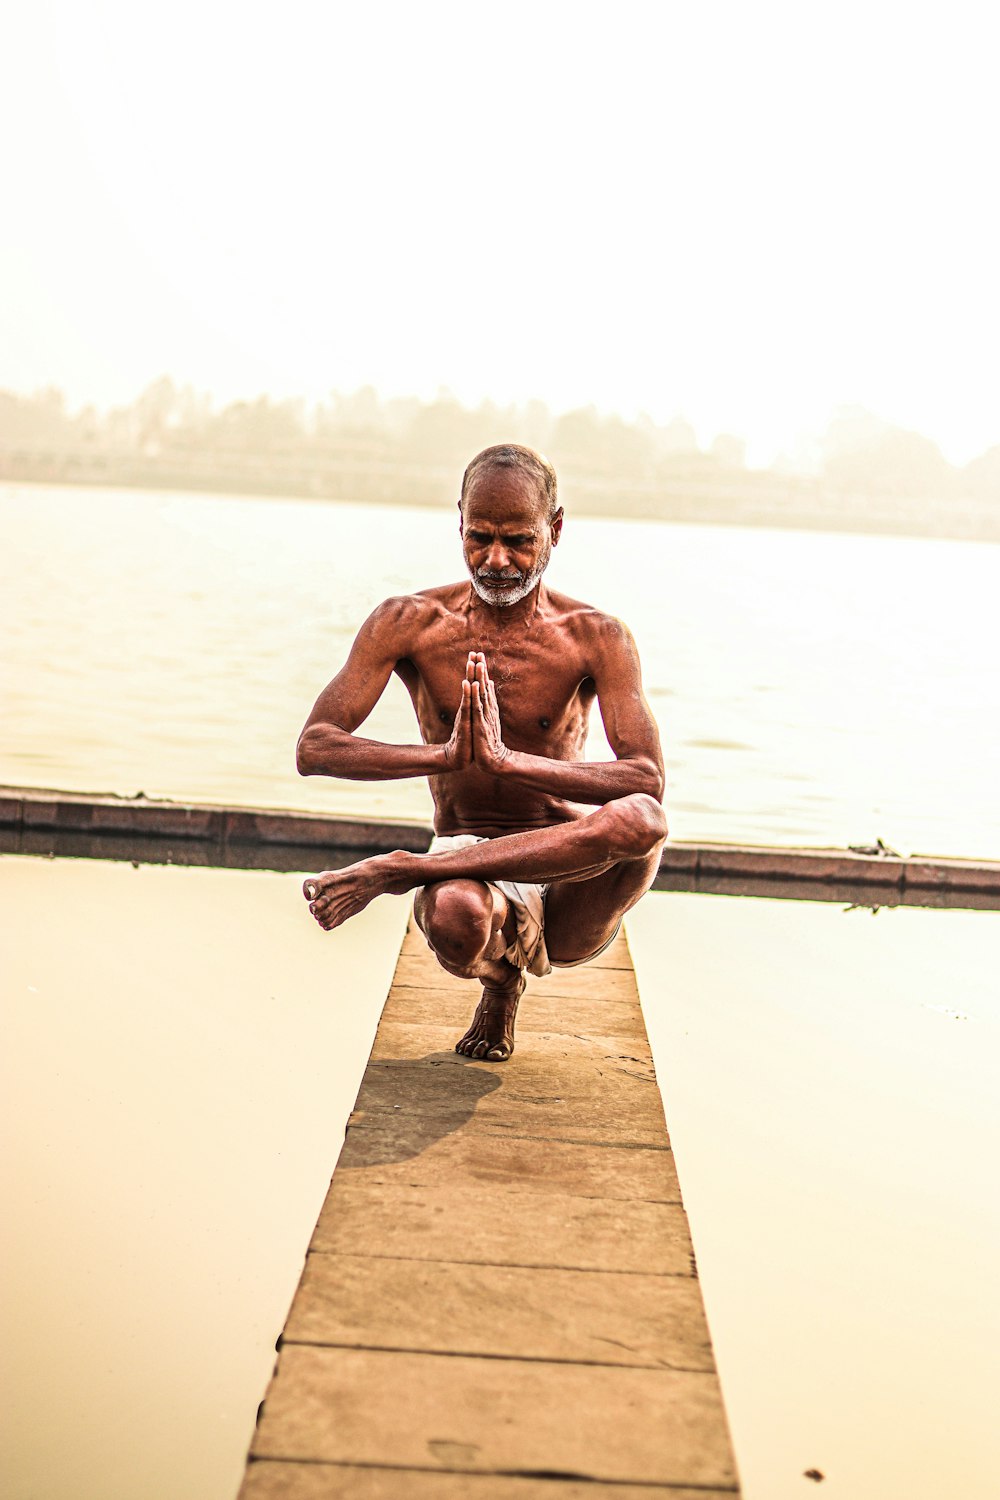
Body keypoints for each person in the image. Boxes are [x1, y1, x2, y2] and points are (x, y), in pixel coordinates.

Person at [298, 443, 667, 1061]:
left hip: (565, 863)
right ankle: (499, 982)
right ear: (460, 524)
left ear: (554, 531)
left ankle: (402, 870)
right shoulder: (408, 621)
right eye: (480, 538)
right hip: (465, 858)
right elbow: (316, 746)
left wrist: (507, 760)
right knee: (458, 921)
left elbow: (646, 778)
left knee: (645, 821)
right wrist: (445, 757)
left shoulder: (596, 636)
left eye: (519, 540)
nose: (496, 560)